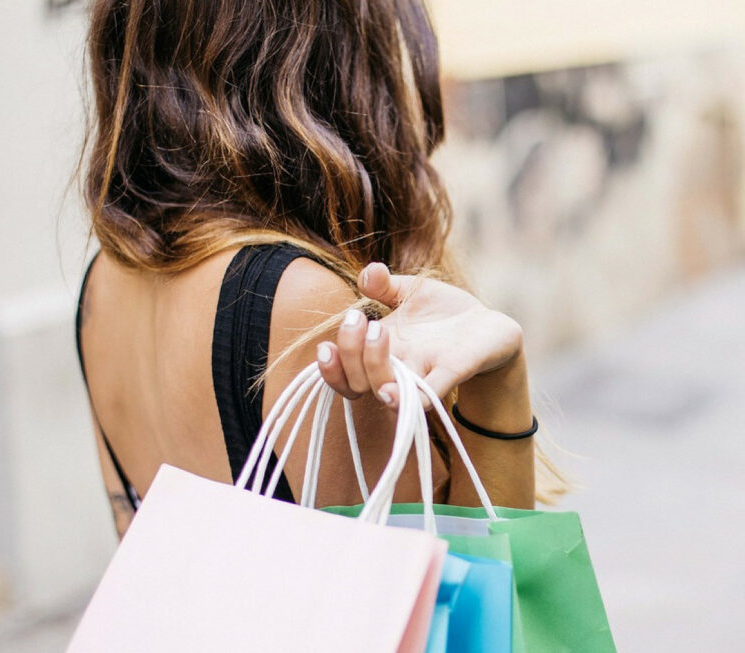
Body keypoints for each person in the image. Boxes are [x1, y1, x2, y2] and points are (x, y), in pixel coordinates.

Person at [75, 0, 550, 538]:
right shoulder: (300, 301)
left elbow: (137, 540)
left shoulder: (103, 282)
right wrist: (502, 383)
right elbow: (466, 585)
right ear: (340, 69)